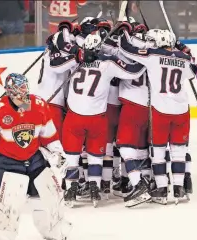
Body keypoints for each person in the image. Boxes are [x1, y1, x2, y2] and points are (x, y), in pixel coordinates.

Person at [0, 73, 71, 240]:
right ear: (9, 92)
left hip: (34, 157)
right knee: (11, 199)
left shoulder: (39, 106)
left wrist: (56, 151)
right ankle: (4, 232)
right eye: (17, 93)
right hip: (8, 161)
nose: (22, 97)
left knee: (49, 192)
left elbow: (49, 134)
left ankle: (52, 227)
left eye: (24, 92)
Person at [61, 33, 150, 208]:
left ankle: (71, 189)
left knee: (72, 157)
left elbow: (57, 57)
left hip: (74, 117)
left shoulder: (75, 59)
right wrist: (149, 57)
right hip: (98, 118)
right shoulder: (107, 63)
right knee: (96, 156)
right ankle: (95, 187)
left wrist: (74, 48)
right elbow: (133, 71)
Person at [118, 27, 197, 205]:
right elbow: (194, 71)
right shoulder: (184, 58)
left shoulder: (152, 55)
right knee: (178, 151)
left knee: (158, 152)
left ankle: (161, 189)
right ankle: (179, 188)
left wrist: (124, 31)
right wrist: (184, 50)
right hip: (182, 111)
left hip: (160, 110)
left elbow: (126, 49)